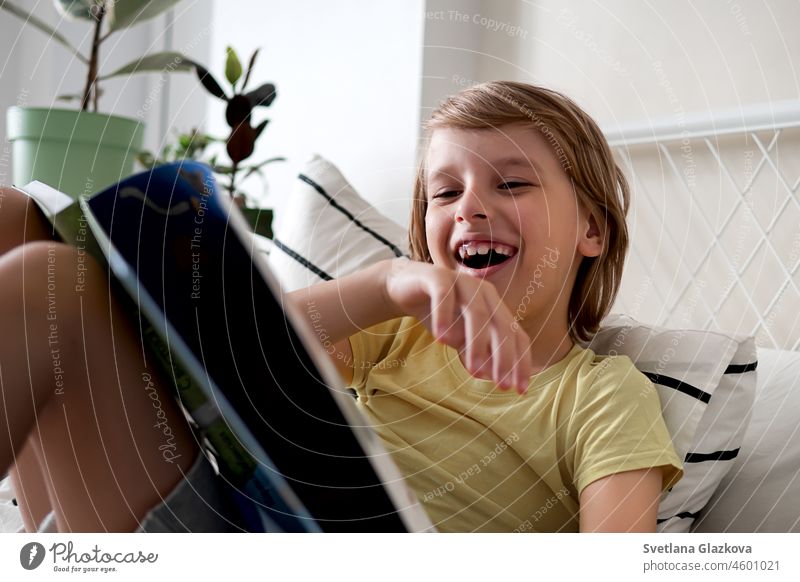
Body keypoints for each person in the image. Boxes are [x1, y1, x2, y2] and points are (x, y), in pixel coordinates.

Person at [286, 81, 683, 532]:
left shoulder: (603, 397)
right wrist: (384, 283)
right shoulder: (398, 331)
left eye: (512, 183)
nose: (469, 207)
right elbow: (235, 341)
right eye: (446, 193)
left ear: (590, 228)